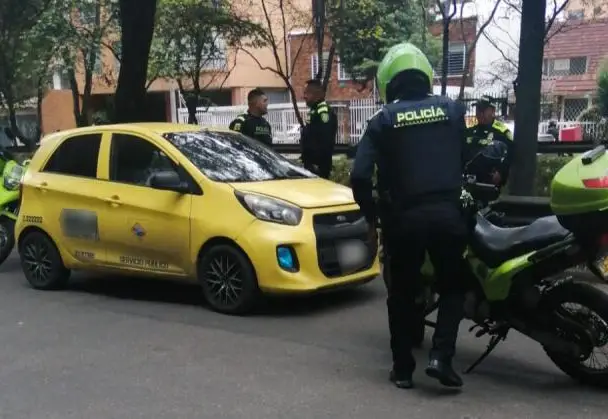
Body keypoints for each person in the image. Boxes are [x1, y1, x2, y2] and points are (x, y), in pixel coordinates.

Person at [350, 42, 468, 389]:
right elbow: (464, 156)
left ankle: (403, 370)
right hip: (449, 215)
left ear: (389, 82)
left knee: (401, 292)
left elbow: (359, 176)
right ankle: (441, 357)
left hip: (403, 220)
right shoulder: (452, 110)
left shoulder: (383, 119)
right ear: (426, 76)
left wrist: (371, 217)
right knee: (453, 287)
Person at [464, 96, 513, 186]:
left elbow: (510, 156)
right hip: (468, 181)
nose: (479, 113)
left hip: (489, 184)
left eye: (483, 110)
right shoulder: (469, 131)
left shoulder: (502, 132)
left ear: (493, 111)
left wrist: (501, 172)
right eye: (478, 110)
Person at [300, 79, 337, 179]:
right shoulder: (314, 110)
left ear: (317, 94)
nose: (304, 96)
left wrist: (317, 164)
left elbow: (325, 141)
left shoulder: (323, 112)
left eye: (306, 93)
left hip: (318, 167)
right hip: (311, 165)